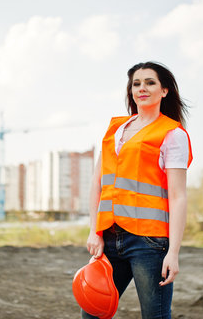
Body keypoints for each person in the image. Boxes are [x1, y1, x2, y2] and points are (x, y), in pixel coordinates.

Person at [84, 61, 192, 319]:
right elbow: (97, 184)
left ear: (164, 91)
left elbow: (178, 197)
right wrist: (94, 231)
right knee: (92, 313)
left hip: (149, 243)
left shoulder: (171, 134)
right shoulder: (115, 130)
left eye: (150, 82)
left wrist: (173, 252)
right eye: (136, 83)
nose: (142, 88)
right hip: (110, 238)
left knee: (154, 316)